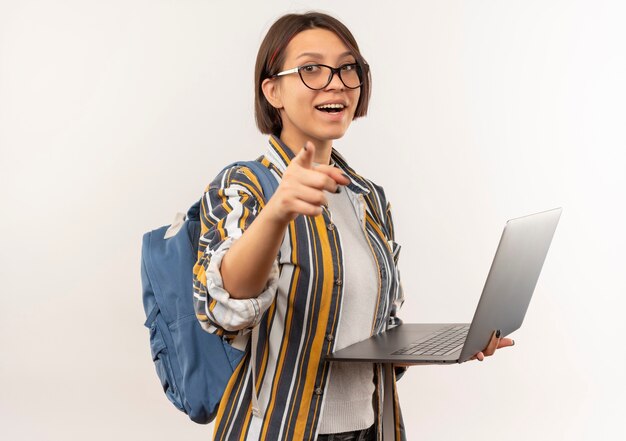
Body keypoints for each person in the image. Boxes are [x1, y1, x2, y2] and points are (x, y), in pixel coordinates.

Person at [192, 11, 513, 441]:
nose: (336, 82)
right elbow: (223, 305)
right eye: (311, 69)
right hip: (278, 428)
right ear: (272, 91)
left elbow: (376, 333)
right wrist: (277, 212)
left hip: (370, 428)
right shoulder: (246, 184)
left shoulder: (368, 198)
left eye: (348, 68)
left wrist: (450, 346)